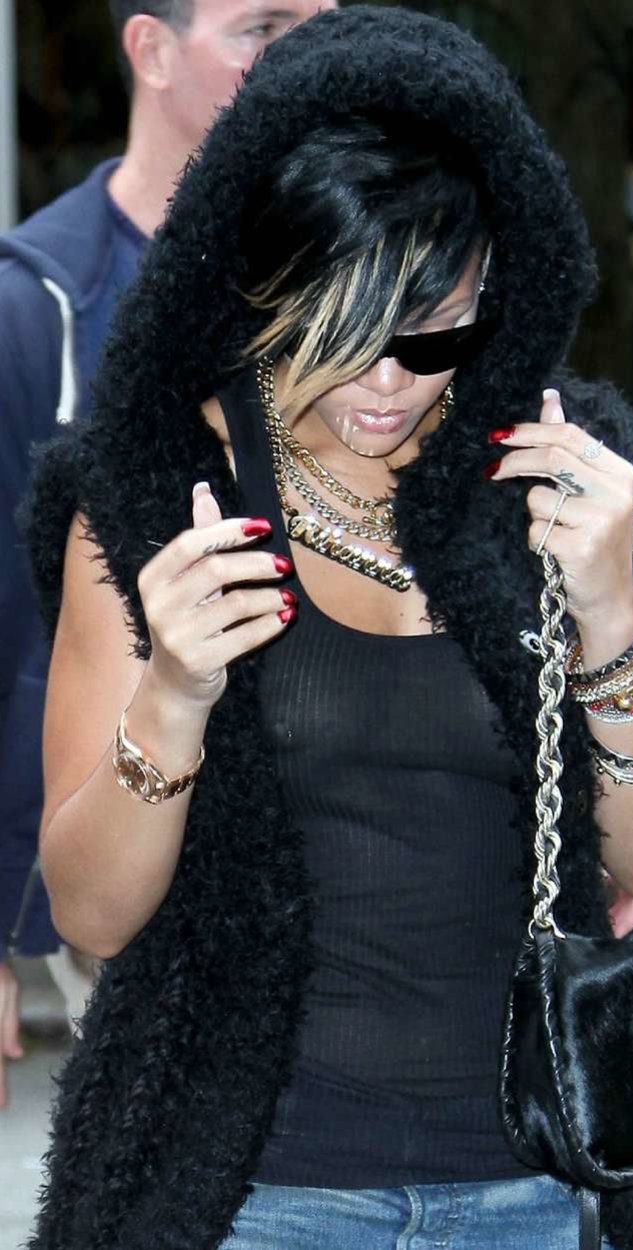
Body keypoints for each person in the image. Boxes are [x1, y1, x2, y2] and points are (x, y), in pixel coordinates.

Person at [22, 8, 633, 1249]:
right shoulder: (150, 498)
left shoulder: (564, 479)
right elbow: (91, 915)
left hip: (535, 1190)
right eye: (335, 327)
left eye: (432, 324)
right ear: (256, 280)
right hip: (250, 1198)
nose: (386, 382)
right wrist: (173, 694)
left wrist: (613, 609)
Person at [0, 0, 334, 1107]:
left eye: (323, 21)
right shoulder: (37, 308)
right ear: (149, 49)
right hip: (127, 854)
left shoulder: (370, 264)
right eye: (262, 27)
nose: (301, 54)